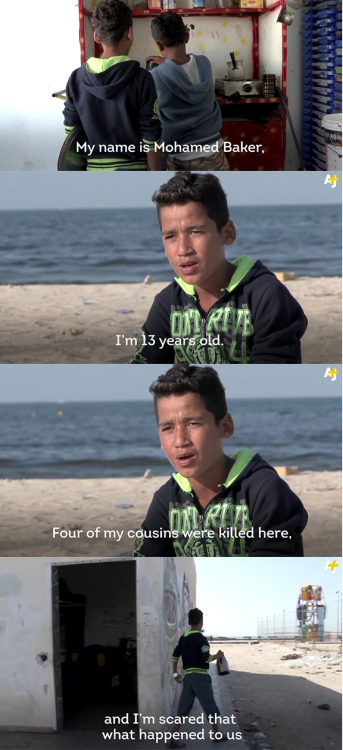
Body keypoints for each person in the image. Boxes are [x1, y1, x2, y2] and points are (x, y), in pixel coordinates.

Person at [129, 172, 308, 364]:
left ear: (228, 233)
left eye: (195, 231)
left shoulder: (266, 296)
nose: (182, 249)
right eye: (171, 236)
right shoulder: (167, 303)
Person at [132, 365, 308, 557]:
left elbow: (271, 572)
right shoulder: (166, 499)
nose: (179, 440)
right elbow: (145, 567)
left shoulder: (265, 492)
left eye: (193, 423)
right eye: (167, 428)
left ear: (225, 427)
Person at [63, 0, 161, 171]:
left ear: (96, 36)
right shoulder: (143, 78)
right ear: (129, 33)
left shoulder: (76, 79)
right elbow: (151, 137)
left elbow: (71, 133)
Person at [146, 13, 228, 172]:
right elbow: (183, 70)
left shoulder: (154, 77)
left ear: (159, 46)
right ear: (187, 36)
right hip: (215, 152)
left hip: (182, 159)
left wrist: (166, 65)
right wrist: (169, 64)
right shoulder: (205, 63)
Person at [169, 608, 227, 748]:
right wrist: (218, 656)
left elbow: (175, 656)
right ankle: (216, 734)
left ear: (189, 622)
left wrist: (175, 673)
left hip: (188, 678)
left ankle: (173, 737)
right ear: (201, 623)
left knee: (184, 708)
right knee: (209, 706)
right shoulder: (202, 639)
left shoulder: (183, 638)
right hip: (201, 678)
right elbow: (206, 659)